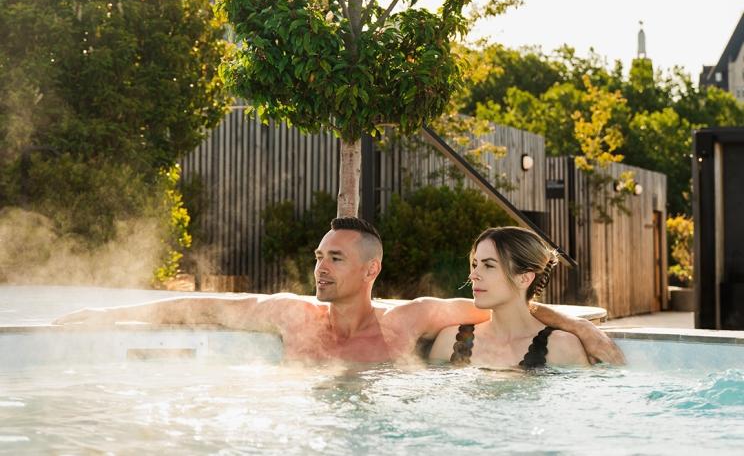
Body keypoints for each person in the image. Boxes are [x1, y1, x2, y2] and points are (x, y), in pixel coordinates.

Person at [55, 217, 620, 365]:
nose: (319, 268)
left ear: (370, 269)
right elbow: (200, 307)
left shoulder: (411, 320)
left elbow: (508, 305)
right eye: (318, 257)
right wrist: (109, 313)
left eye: (335, 258)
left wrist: (581, 326)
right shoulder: (292, 316)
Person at [430, 226, 589, 369]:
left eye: (489, 265)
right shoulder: (449, 342)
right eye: (475, 264)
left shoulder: (562, 348)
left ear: (524, 279)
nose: (473, 275)